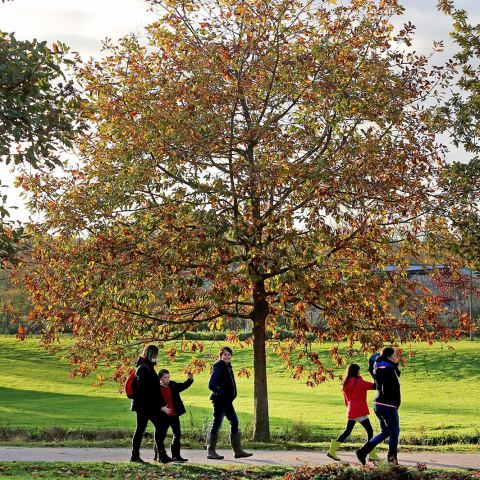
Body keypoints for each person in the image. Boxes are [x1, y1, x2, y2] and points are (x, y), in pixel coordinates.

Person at [355, 347, 402, 465]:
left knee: (385, 432)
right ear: (388, 357)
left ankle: (362, 452)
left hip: (378, 403)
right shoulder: (388, 370)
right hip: (387, 405)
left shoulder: (379, 367)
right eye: (395, 356)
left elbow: (372, 359)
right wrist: (393, 398)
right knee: (394, 432)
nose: (396, 358)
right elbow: (387, 387)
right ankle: (392, 460)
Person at [206, 346, 252, 460]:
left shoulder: (227, 367)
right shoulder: (218, 367)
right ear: (220, 356)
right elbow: (211, 385)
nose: (227, 356)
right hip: (220, 402)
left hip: (227, 402)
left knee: (234, 422)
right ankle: (210, 452)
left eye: (229, 354)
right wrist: (223, 394)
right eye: (225, 354)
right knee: (217, 425)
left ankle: (237, 451)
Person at [327, 364, 380, 462]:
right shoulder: (358, 381)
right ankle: (371, 454)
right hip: (360, 411)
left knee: (347, 431)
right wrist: (379, 379)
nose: (360, 372)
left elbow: (346, 400)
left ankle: (332, 451)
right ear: (356, 371)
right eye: (359, 370)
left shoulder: (345, 383)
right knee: (370, 431)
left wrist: (350, 409)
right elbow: (373, 386)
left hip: (352, 410)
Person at [130, 344, 173, 464]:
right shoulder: (144, 368)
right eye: (156, 355)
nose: (157, 357)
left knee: (161, 424)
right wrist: (159, 406)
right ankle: (136, 456)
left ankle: (160, 454)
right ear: (152, 355)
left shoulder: (148, 367)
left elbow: (154, 390)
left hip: (148, 405)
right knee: (142, 428)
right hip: (144, 405)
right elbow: (146, 391)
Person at [153, 369, 194, 462]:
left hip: (174, 414)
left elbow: (183, 386)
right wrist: (161, 407)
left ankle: (176, 455)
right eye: (165, 378)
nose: (167, 380)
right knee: (161, 436)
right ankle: (158, 454)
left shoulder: (173, 385)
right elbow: (152, 401)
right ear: (160, 378)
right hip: (163, 416)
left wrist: (190, 379)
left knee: (177, 434)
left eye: (168, 377)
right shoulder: (156, 388)